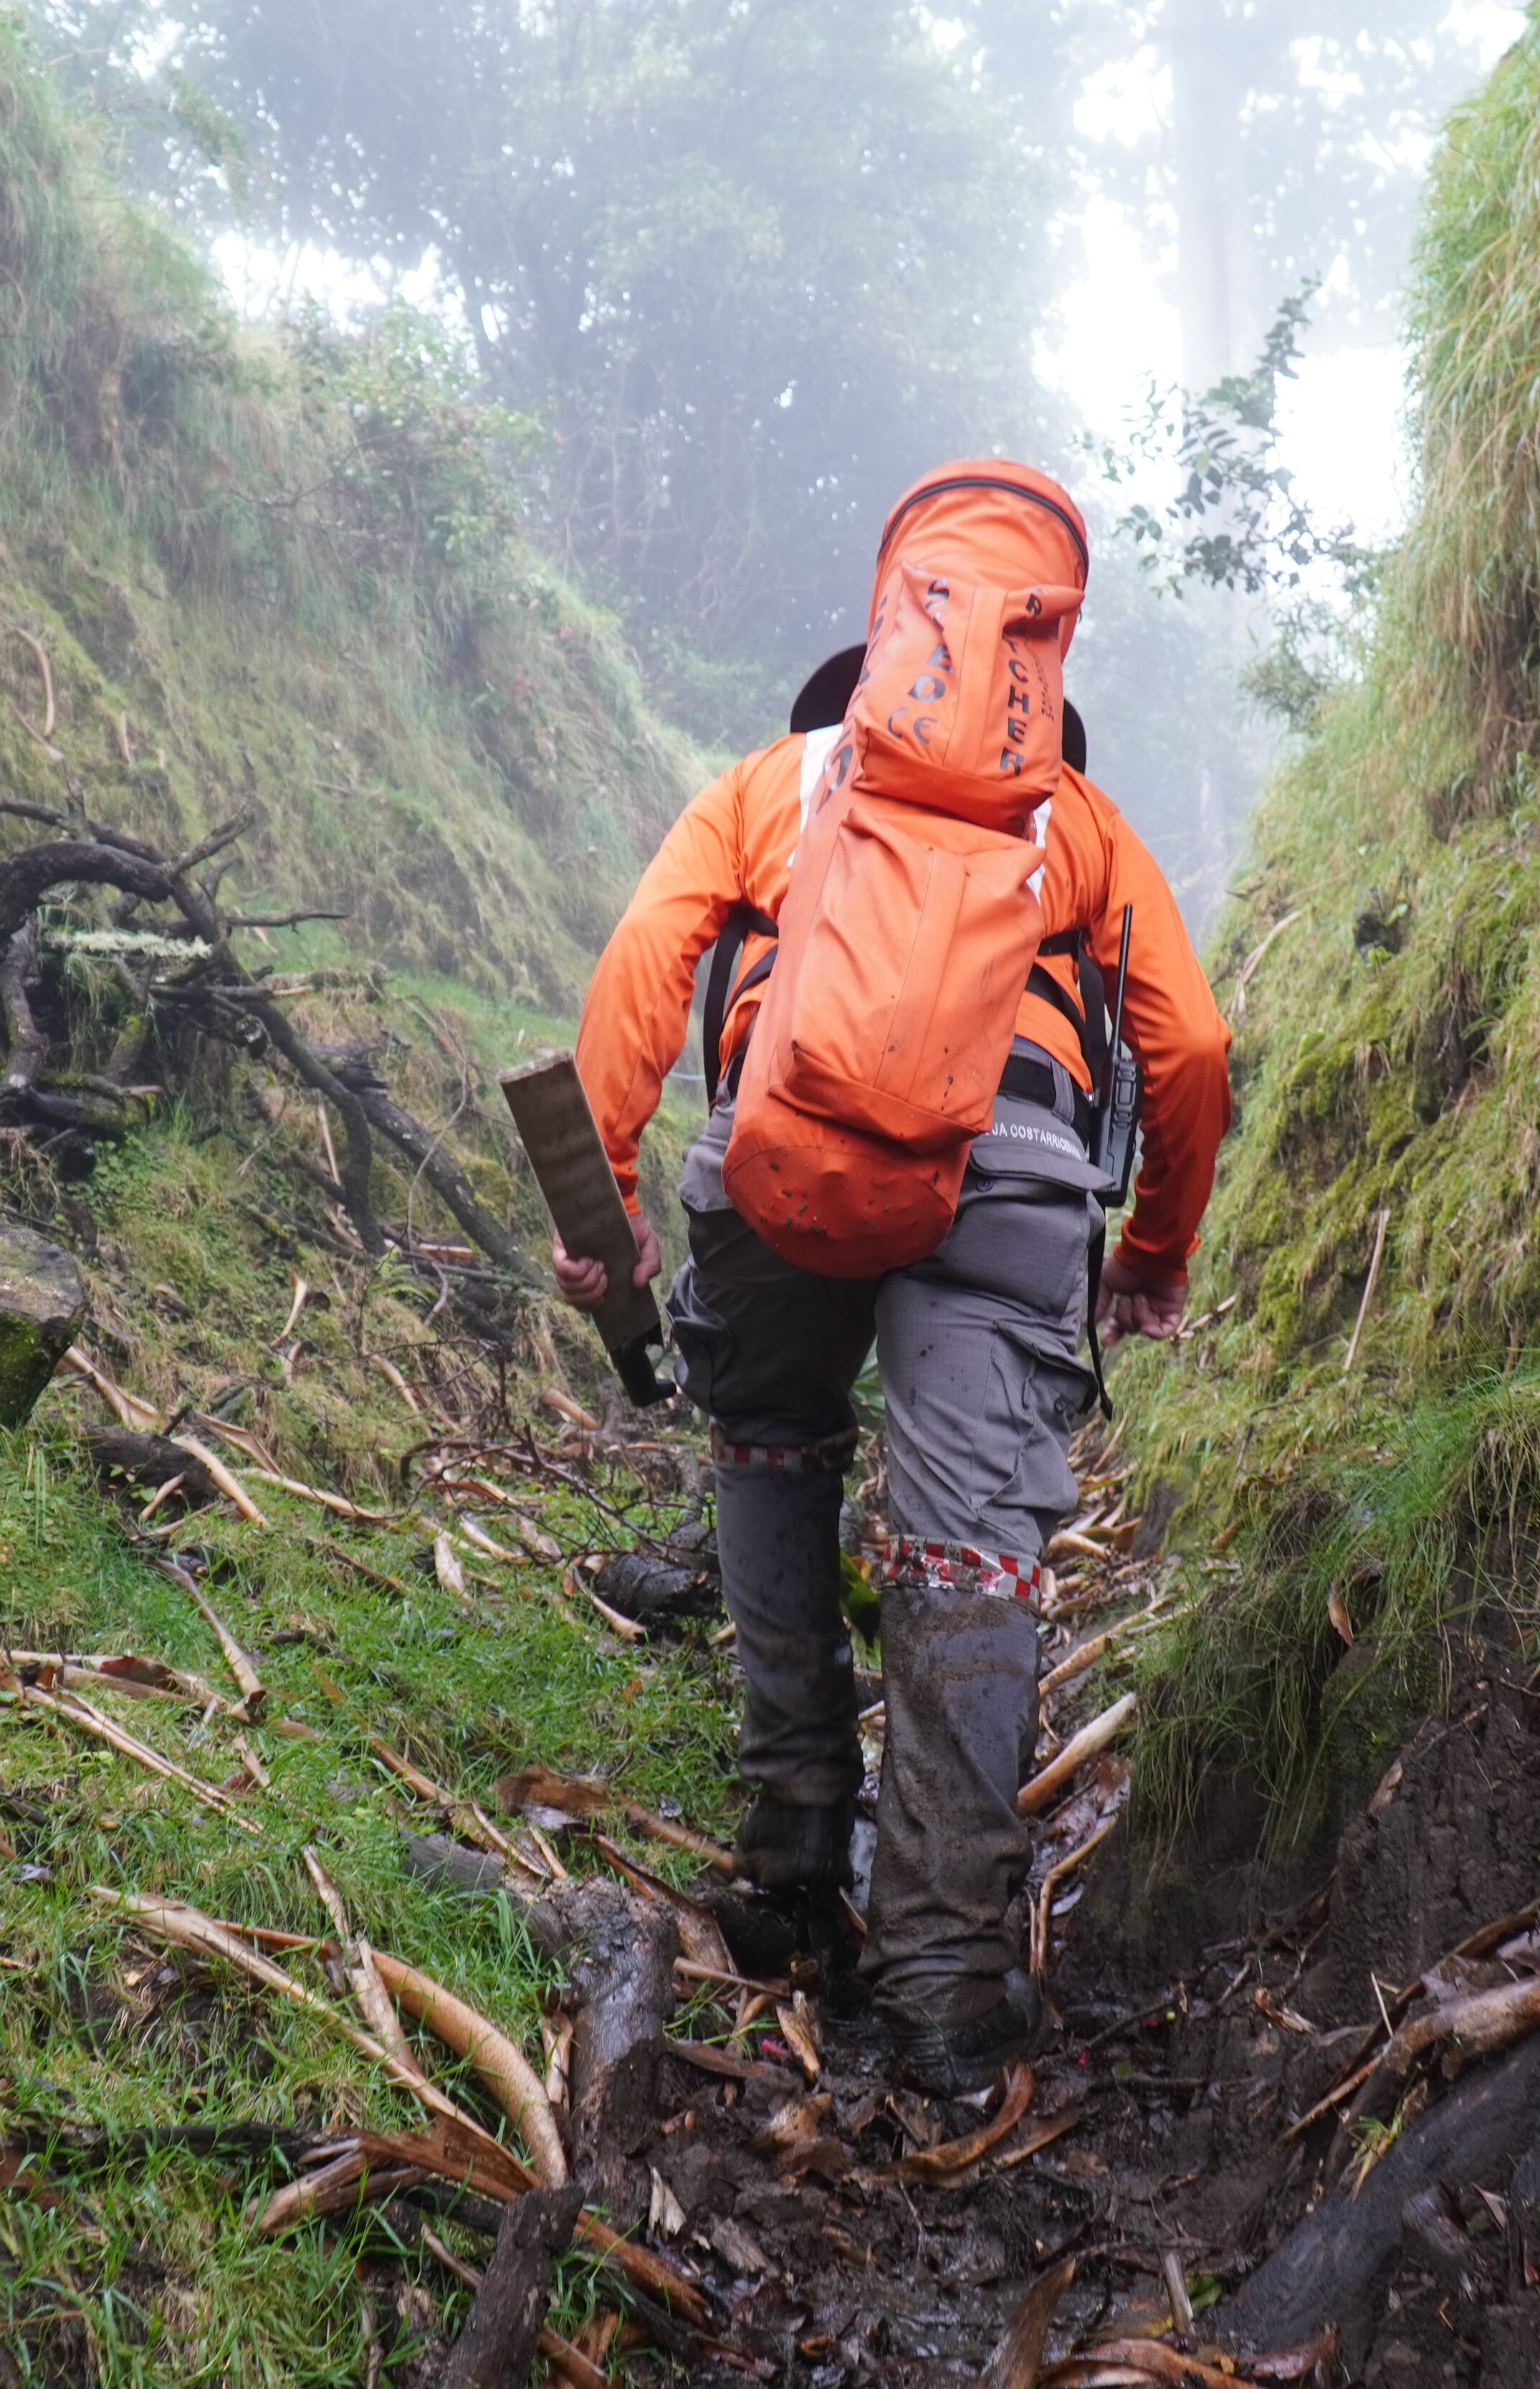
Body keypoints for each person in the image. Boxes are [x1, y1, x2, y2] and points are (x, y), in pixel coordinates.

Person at [553, 459, 1230, 2091]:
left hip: (775, 1163)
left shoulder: (774, 783)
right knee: (969, 1549)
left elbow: (646, 967)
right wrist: (1152, 1253)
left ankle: (793, 1849)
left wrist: (607, 1208)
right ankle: (939, 1976)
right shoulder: (1072, 822)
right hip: (1008, 1187)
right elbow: (1191, 1045)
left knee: (771, 1433)